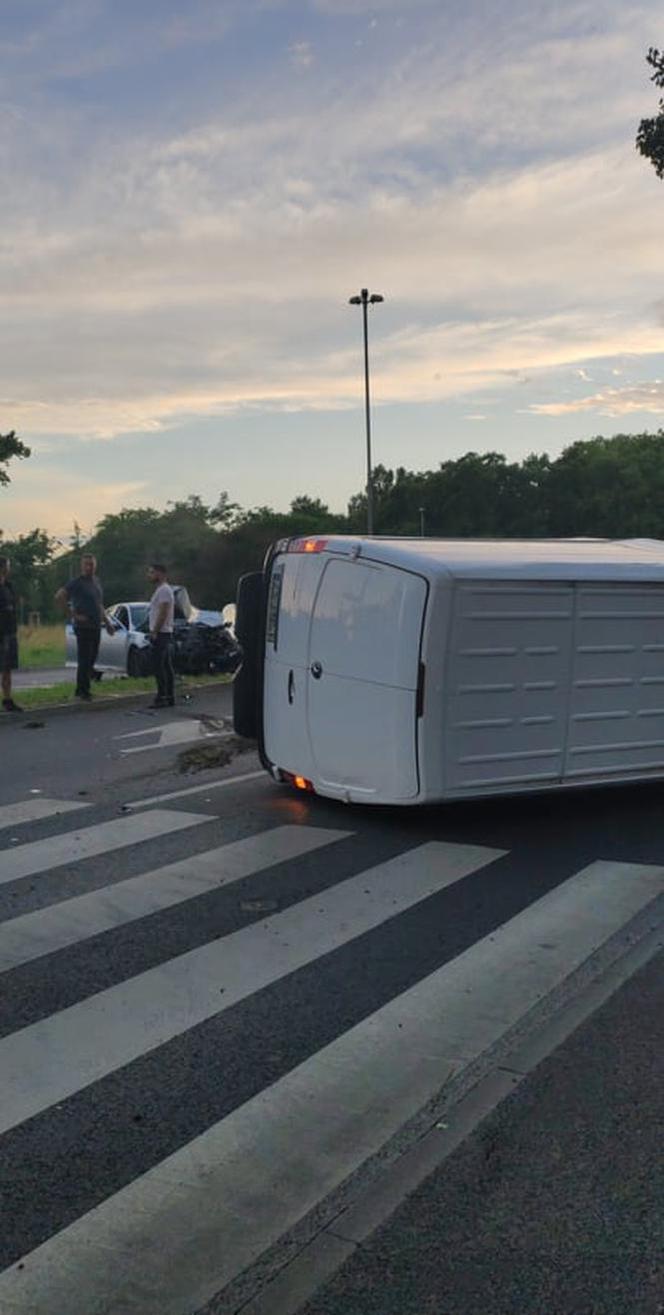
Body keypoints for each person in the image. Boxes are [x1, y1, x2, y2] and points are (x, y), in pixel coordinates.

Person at [55, 554, 113, 701]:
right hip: (83, 626)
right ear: (82, 566)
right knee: (85, 659)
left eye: (92, 564)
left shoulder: (96, 582)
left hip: (96, 625)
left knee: (92, 658)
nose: (89, 567)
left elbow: (99, 604)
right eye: (86, 564)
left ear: (95, 565)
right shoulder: (77, 582)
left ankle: (84, 687)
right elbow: (60, 596)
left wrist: (107, 622)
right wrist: (73, 615)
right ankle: (82, 690)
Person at [147, 562, 175, 708]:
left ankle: (162, 696)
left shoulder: (164, 590)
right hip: (164, 632)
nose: (149, 575)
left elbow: (163, 612)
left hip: (161, 633)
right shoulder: (162, 590)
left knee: (159, 666)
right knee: (166, 665)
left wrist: (155, 631)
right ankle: (169, 696)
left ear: (160, 573)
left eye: (151, 572)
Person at [0, 556, 23, 713]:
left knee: (7, 668)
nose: (9, 569)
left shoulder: (9, 586)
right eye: (8, 566)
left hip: (9, 631)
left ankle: (7, 700)